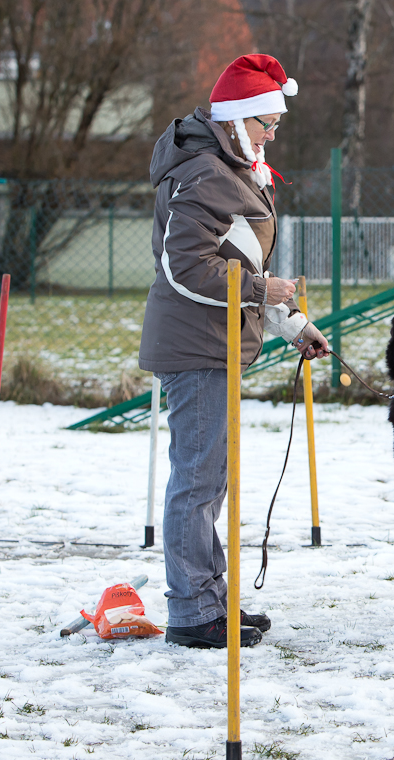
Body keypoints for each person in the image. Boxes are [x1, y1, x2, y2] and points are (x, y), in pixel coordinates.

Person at [139, 54, 330, 649]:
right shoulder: (206, 173)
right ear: (238, 119)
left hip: (217, 344)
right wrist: (259, 291)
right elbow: (186, 266)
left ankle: (211, 600)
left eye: (275, 124)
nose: (272, 134)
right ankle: (193, 612)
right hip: (196, 348)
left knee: (210, 480)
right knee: (196, 482)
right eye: (266, 123)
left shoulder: (231, 170)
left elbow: (243, 267)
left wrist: (291, 322)